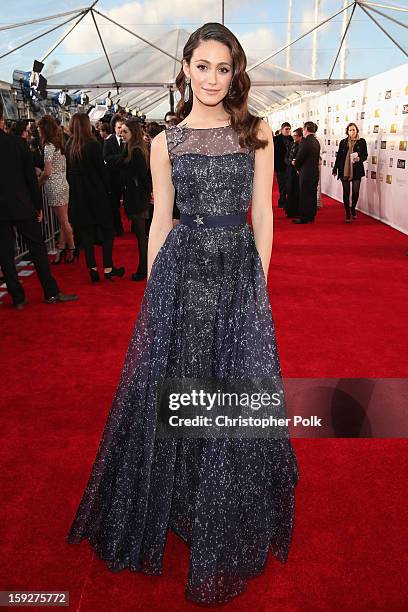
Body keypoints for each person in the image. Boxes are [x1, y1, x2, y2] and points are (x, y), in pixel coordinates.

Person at [66, 22, 298, 606]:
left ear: (235, 72)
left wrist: (259, 290)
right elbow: (159, 220)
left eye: (224, 68)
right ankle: (182, 495)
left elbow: (264, 220)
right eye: (203, 66)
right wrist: (153, 291)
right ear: (186, 67)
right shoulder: (167, 141)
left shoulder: (257, 134)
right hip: (182, 276)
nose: (213, 78)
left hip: (237, 274)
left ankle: (219, 500)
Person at [0, 102, 78, 309]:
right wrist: (37, 206)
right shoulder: (18, 144)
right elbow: (30, 180)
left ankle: (17, 298)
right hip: (23, 205)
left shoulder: (20, 143)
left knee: (5, 255)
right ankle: (50, 292)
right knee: (37, 249)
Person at [65, 113, 125, 283]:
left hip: (78, 197)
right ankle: (107, 267)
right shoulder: (92, 144)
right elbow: (102, 171)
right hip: (96, 196)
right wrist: (109, 191)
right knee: (107, 231)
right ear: (86, 125)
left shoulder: (69, 145)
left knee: (87, 234)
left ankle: (92, 267)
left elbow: (69, 174)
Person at [37, 115, 77, 264]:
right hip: (63, 183)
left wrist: (39, 182)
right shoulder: (60, 144)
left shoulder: (48, 146)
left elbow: (47, 172)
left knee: (63, 220)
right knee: (64, 220)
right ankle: (61, 248)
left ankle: (72, 248)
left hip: (54, 185)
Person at [119, 119, 152, 281]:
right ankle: (144, 268)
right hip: (136, 196)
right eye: (121, 131)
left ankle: (144, 269)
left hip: (138, 198)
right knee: (140, 234)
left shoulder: (137, 151)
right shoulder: (131, 149)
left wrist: (150, 194)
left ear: (133, 132)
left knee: (141, 235)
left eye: (125, 131)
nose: (121, 134)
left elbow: (143, 176)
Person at [332, 122, 368, 222]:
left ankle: (353, 208)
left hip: (357, 170)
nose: (352, 132)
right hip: (344, 170)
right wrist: (335, 168)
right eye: (350, 130)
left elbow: (365, 155)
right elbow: (339, 156)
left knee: (356, 192)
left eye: (353, 130)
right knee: (346, 192)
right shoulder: (343, 142)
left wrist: (359, 158)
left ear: (357, 131)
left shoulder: (362, 142)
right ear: (347, 131)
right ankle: (347, 213)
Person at [293, 121, 321, 224]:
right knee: (312, 194)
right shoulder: (316, 141)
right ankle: (311, 216)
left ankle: (304, 217)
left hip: (306, 173)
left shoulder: (305, 142)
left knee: (304, 195)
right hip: (314, 172)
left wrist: (296, 165)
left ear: (306, 129)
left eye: (303, 129)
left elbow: (300, 157)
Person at [103, 114, 125, 236]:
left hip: (126, 178)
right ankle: (118, 227)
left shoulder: (128, 140)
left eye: (122, 127)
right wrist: (121, 158)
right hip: (114, 178)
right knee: (114, 205)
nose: (120, 130)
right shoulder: (109, 141)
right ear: (114, 128)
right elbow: (106, 157)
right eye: (118, 127)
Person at [273, 122, 293, 208]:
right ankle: (282, 202)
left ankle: (289, 202)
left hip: (290, 167)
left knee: (289, 185)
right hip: (279, 166)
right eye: (286, 129)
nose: (288, 131)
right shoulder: (275, 139)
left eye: (289, 129)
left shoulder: (292, 139)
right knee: (282, 185)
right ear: (282, 129)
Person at [284, 127, 303, 218]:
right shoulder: (291, 144)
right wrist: (289, 161)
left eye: (295, 136)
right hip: (290, 171)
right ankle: (290, 211)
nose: (294, 137)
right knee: (290, 190)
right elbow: (286, 157)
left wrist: (297, 163)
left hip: (298, 171)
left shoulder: (303, 145)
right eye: (293, 135)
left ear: (300, 137)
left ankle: (298, 211)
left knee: (297, 191)